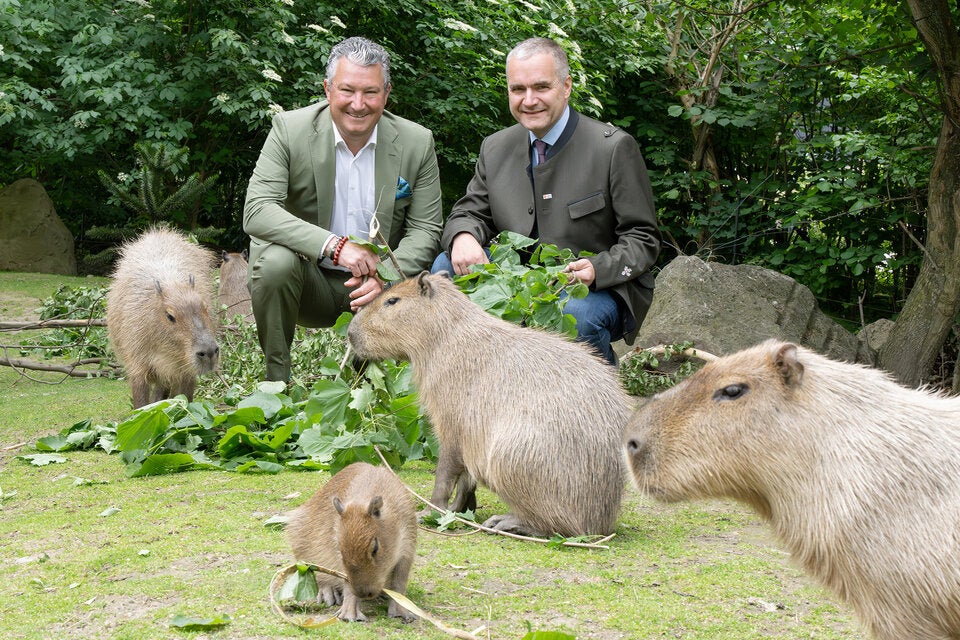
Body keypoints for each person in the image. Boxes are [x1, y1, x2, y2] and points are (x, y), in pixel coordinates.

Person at [432, 37, 661, 365]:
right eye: (517, 89)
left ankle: (596, 404)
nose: (529, 100)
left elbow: (643, 239)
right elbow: (470, 211)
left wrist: (596, 269)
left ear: (566, 87)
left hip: (594, 287)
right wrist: (463, 237)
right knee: (444, 269)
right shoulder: (495, 147)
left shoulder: (613, 149)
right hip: (516, 278)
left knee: (574, 315)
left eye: (541, 87)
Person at [243, 36, 443, 382]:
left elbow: (426, 230)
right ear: (327, 89)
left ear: (387, 93)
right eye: (347, 90)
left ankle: (368, 388)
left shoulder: (417, 141)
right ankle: (277, 385)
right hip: (307, 281)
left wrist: (385, 276)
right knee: (275, 263)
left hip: (379, 288)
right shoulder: (289, 130)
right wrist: (335, 247)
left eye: (370, 92)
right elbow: (257, 210)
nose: (358, 104)